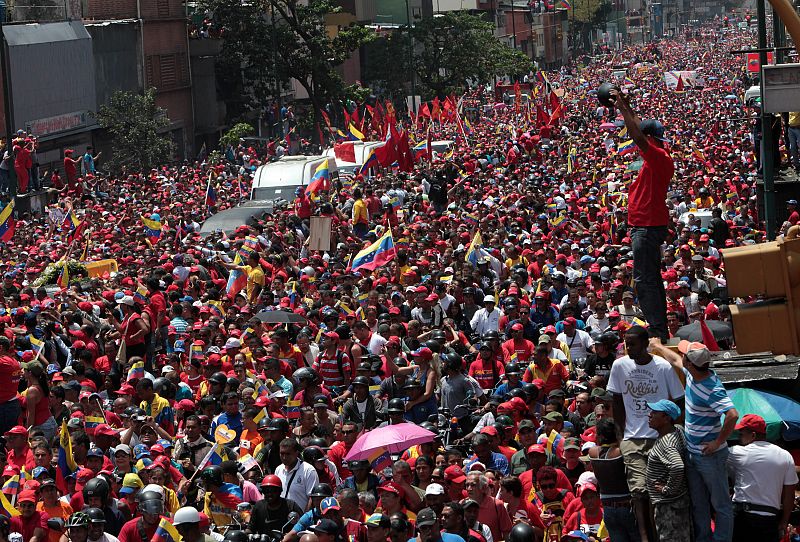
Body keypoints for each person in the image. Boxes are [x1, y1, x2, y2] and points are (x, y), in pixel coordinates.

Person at [607, 326, 684, 542]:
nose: (628, 348)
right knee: (639, 491)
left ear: (644, 344)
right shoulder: (619, 366)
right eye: (626, 343)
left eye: (632, 344)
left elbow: (678, 399)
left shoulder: (663, 367)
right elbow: (617, 401)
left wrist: (671, 431)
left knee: (655, 492)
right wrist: (621, 437)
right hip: (632, 438)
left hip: (660, 438)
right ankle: (644, 536)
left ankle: (657, 532)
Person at [611, 89, 674, 341]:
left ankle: (657, 328)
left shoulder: (658, 157)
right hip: (646, 226)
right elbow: (639, 126)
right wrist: (623, 103)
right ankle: (658, 326)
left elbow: (636, 134)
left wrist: (621, 110)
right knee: (651, 278)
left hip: (646, 227)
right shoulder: (656, 158)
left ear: (650, 139)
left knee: (644, 279)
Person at [679, 341, 738, 542]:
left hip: (710, 456)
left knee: (721, 504)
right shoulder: (692, 375)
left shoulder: (712, 388)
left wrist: (718, 442)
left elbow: (732, 415)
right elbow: (672, 359)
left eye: (684, 355)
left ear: (689, 362)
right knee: (699, 502)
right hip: (693, 453)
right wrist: (657, 346)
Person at [728, 414, 798, 542]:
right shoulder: (785, 455)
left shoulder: (737, 452)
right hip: (769, 520)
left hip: (742, 518)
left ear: (753, 435)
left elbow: (714, 458)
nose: (739, 438)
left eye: (741, 434)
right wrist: (784, 522)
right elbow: (790, 494)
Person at [645, 400, 691, 542]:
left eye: (654, 413)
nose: (649, 415)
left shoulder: (667, 442)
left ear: (666, 418)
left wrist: (667, 489)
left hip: (669, 506)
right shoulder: (677, 429)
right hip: (677, 502)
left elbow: (677, 466)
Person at [275, 437, 319, 510]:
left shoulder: (308, 470)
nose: (284, 457)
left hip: (300, 518)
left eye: (288, 454)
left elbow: (312, 499)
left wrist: (303, 519)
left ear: (296, 453)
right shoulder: (278, 470)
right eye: (282, 453)